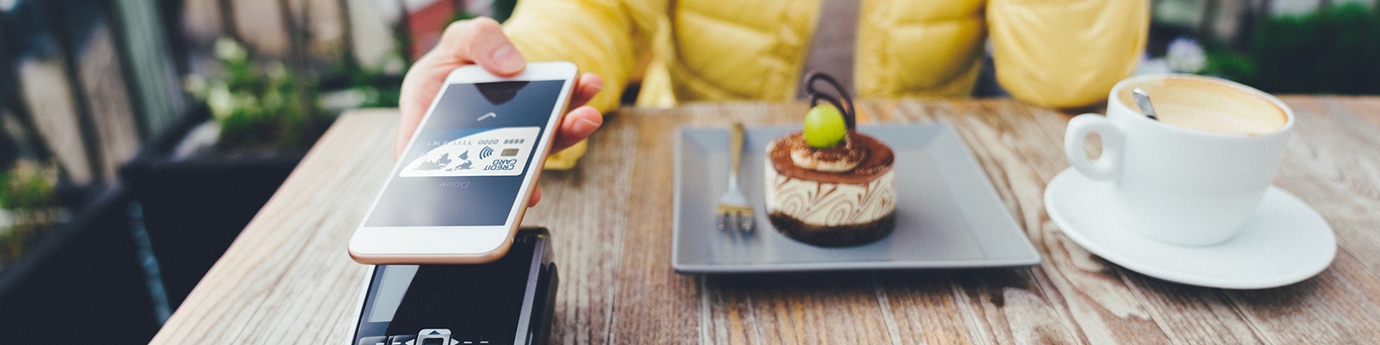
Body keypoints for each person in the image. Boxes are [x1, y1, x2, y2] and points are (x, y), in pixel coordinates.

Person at [398, 0, 1150, 198]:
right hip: (700, 172)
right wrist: (515, 87)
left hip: (917, 184)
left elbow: (1063, 76)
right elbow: (592, 9)